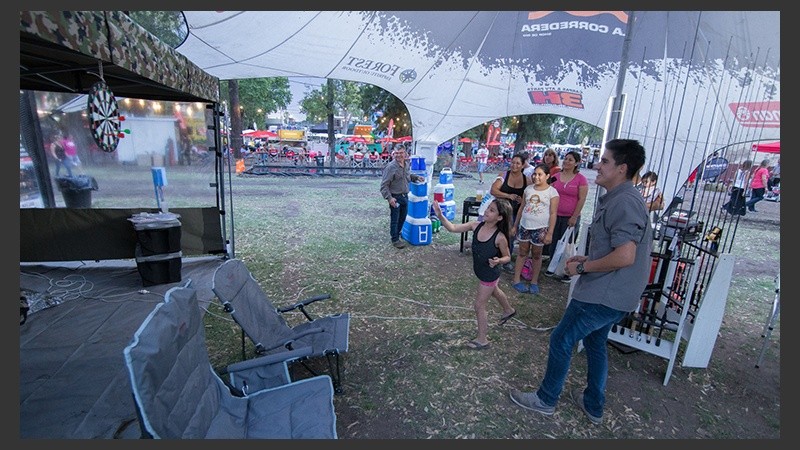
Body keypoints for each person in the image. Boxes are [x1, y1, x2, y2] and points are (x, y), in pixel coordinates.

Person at [509, 138, 652, 425]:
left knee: (562, 338)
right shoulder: (621, 197)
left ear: (622, 168)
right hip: (614, 293)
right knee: (596, 342)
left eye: (606, 161)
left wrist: (585, 267)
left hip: (603, 294)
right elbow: (617, 249)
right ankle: (593, 404)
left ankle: (546, 399)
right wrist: (588, 257)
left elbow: (625, 256)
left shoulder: (625, 201)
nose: (597, 166)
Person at [433, 198, 516, 349]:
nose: (486, 211)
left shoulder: (500, 237)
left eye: (492, 210)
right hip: (481, 271)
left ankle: (482, 339)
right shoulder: (475, 225)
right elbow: (452, 228)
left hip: (489, 274)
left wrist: (498, 260)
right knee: (494, 291)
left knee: (479, 305)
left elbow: (508, 257)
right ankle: (508, 310)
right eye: (488, 208)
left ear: (499, 217)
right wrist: (440, 215)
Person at [510, 164, 559, 295]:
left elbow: (553, 213)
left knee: (537, 255)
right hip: (525, 225)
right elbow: (521, 208)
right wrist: (515, 225)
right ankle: (516, 280)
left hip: (540, 228)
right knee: (522, 252)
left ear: (547, 176)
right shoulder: (528, 189)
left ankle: (534, 281)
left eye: (540, 174)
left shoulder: (552, 192)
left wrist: (550, 233)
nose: (536, 177)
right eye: (535, 174)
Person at [543, 151, 589, 280]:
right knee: (554, 241)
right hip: (555, 215)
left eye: (570, 160)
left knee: (567, 244)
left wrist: (574, 216)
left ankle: (566, 270)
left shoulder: (581, 179)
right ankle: (552, 267)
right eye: (566, 159)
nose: (567, 162)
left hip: (570, 217)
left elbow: (582, 199)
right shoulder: (556, 176)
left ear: (576, 163)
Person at [379, 144, 425, 249]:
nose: (399, 155)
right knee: (395, 219)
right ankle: (395, 239)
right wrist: (390, 198)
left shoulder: (406, 164)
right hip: (395, 197)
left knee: (402, 218)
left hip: (405, 196)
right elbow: (384, 185)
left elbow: (407, 177)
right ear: (393, 154)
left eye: (401, 153)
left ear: (405, 154)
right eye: (397, 153)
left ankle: (398, 234)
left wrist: (417, 177)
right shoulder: (391, 167)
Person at [489, 153, 529, 272]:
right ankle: (494, 258)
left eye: (517, 163)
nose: (514, 165)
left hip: (516, 212)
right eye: (512, 162)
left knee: (510, 236)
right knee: (496, 234)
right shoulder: (503, 175)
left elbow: (530, 195)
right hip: (501, 210)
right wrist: (508, 195)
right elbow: (493, 190)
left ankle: (506, 260)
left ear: (522, 165)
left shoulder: (527, 180)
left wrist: (523, 200)